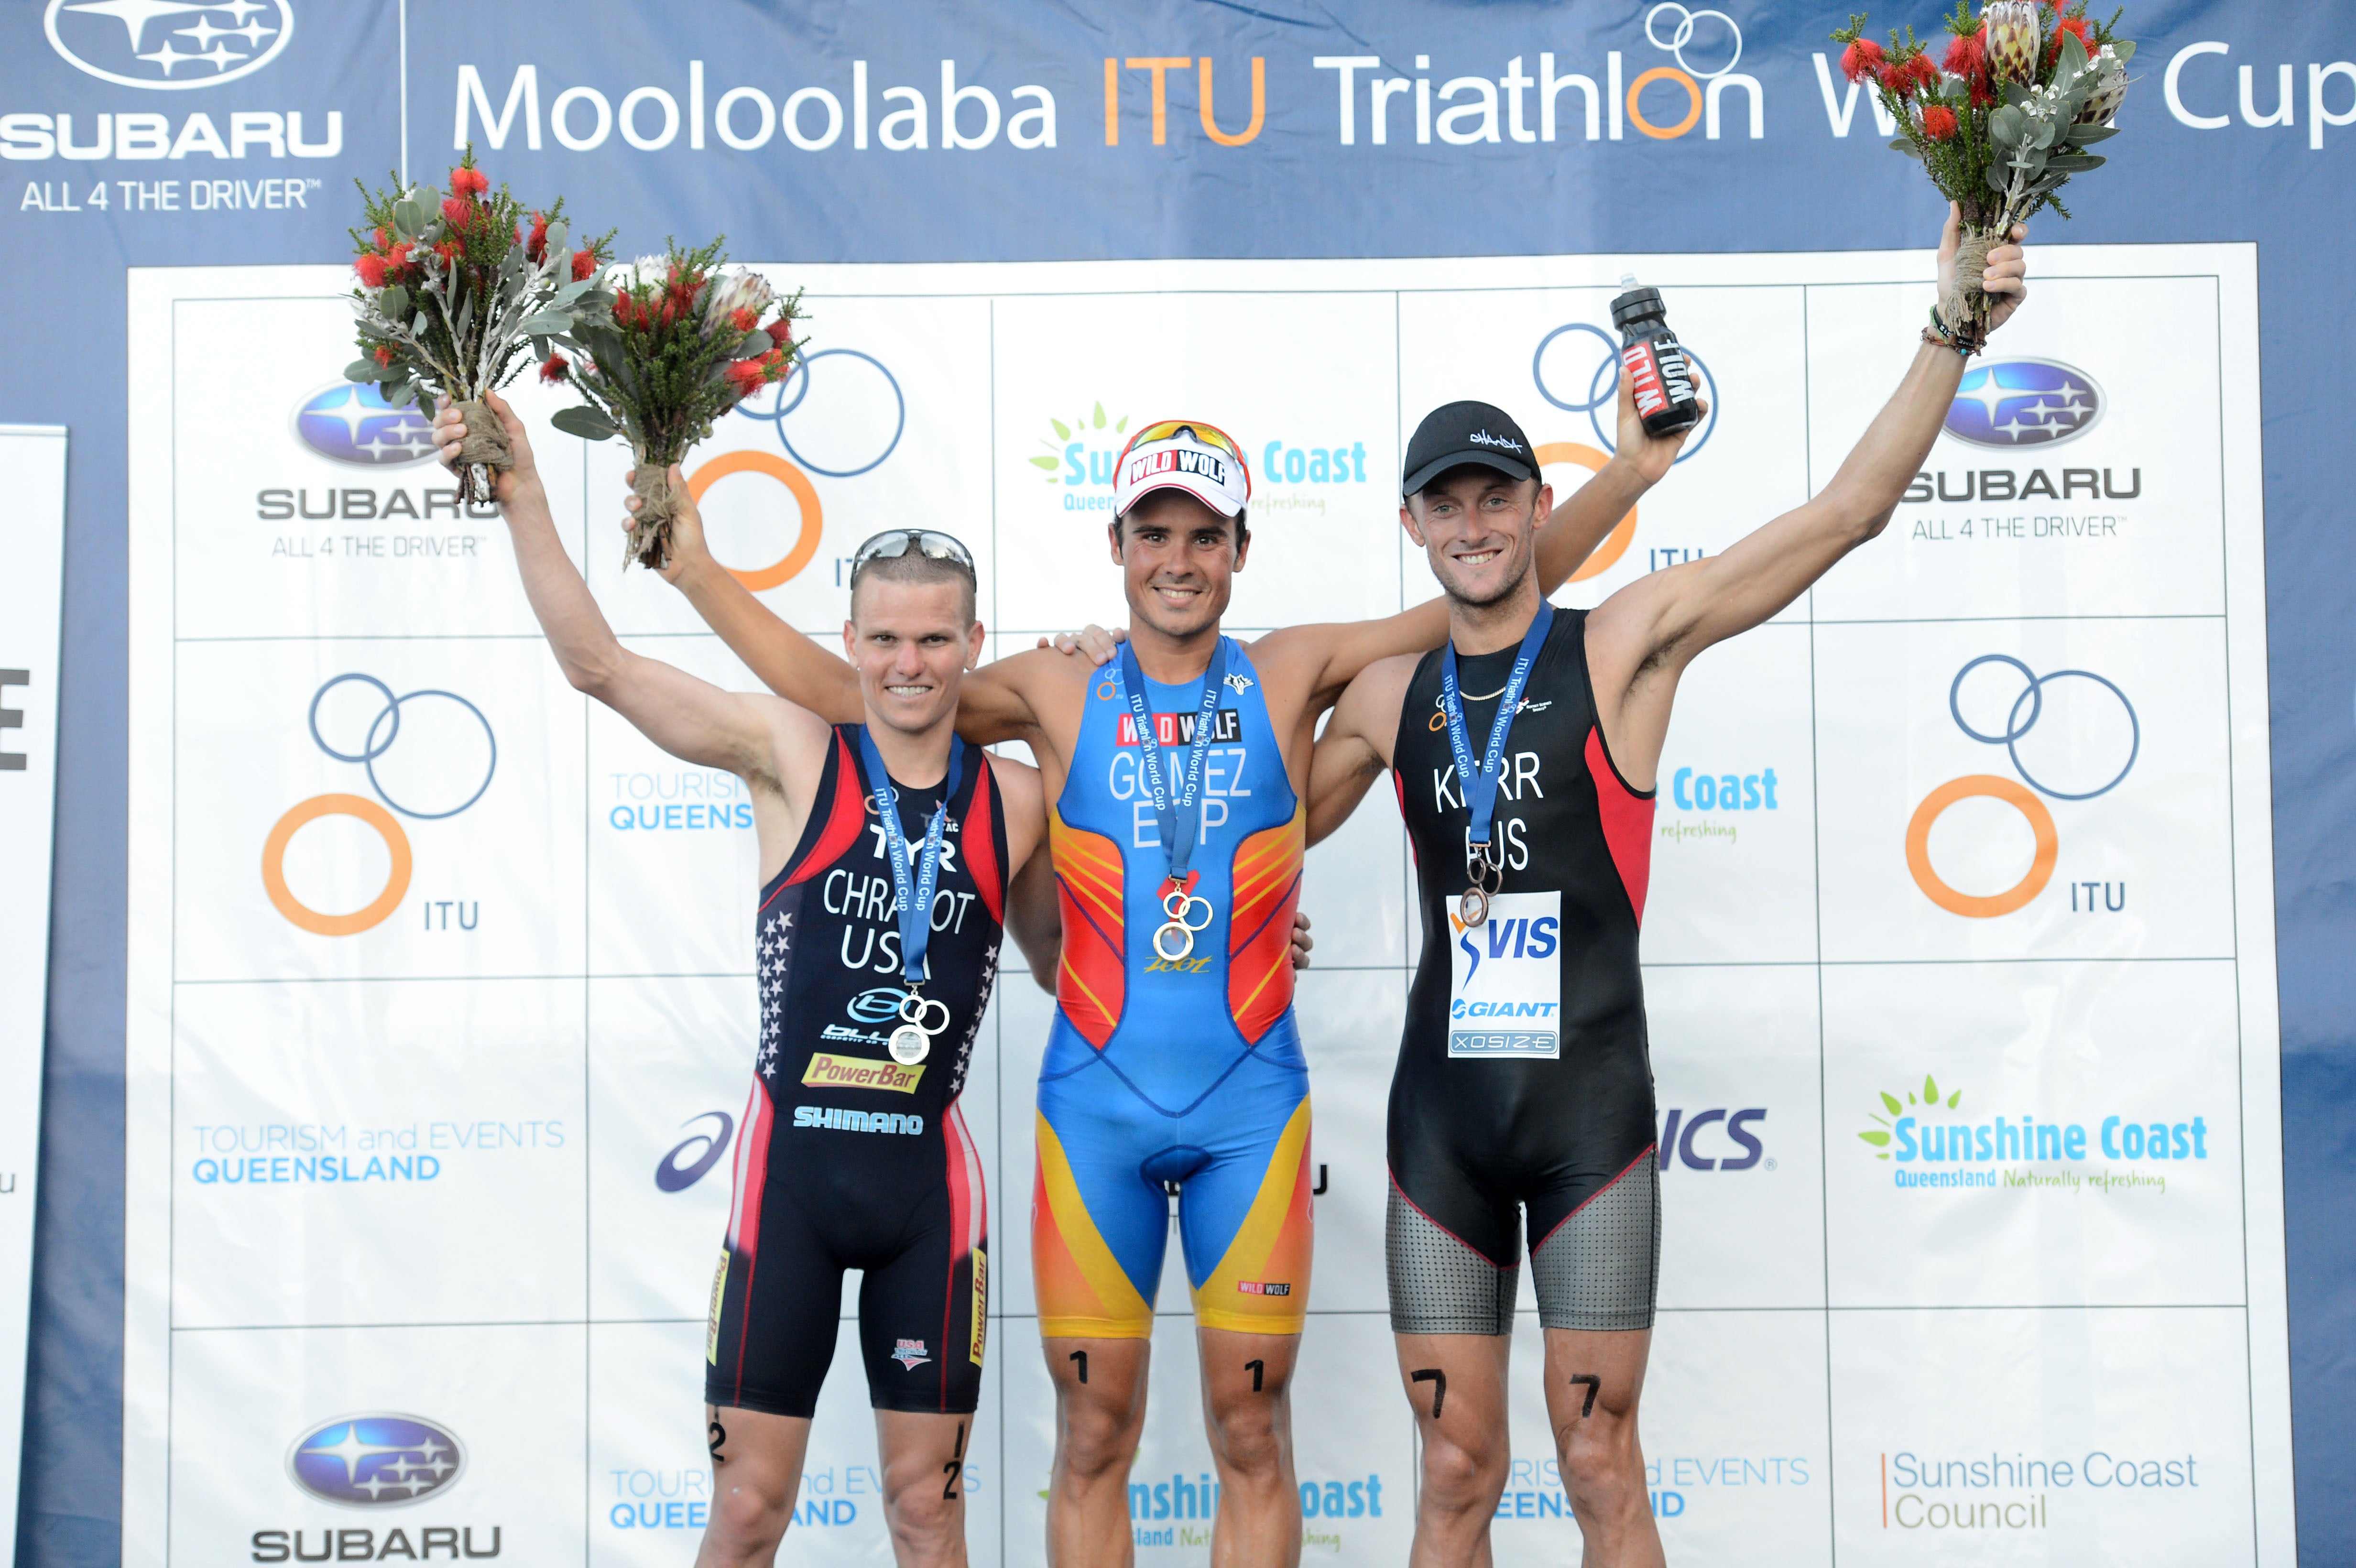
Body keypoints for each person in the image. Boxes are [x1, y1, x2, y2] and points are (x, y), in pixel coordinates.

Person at [634, 382, 1693, 1564]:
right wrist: (694, 574)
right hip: (1095, 1111)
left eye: (1203, 535)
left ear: (1242, 548)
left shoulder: (1296, 668)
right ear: (1116, 548)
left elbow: (1495, 578)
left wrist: (1631, 476)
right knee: (1091, 1432)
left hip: (1252, 1109)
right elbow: (847, 694)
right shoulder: (1054, 684)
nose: (1177, 559)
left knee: (1252, 1428)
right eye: (1153, 534)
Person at [1300, 209, 2029, 1568]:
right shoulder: (1381, 693)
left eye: (1497, 496)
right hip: (1439, 1123)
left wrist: (1951, 330)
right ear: (1410, 522)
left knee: (1598, 1459)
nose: (1473, 525)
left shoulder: (1625, 642)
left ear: (1534, 508)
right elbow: (1247, 835)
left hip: (1589, 1119)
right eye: (1445, 503)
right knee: (1455, 1467)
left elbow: (1845, 515)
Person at [432, 394, 1049, 1568]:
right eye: (881, 639)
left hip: (929, 1189)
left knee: (929, 1511)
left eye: (932, 640)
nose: (906, 664)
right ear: (852, 640)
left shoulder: (1017, 800)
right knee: (751, 1512)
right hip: (792, 1182)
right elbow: (598, 664)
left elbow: (1082, 959)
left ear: (974, 644)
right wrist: (522, 497)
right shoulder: (793, 752)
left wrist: (1259, 938)